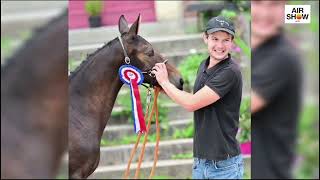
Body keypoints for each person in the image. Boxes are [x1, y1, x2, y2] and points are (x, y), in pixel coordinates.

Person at [152, 16, 244, 179]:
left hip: (224, 166)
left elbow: (191, 103)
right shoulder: (204, 65)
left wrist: (165, 82)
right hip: (201, 162)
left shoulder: (230, 72)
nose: (220, 46)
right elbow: (197, 99)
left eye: (226, 40)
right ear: (205, 38)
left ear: (232, 42)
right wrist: (161, 85)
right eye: (215, 39)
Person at [251, 1, 303, 179]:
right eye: (257, 3)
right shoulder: (258, 52)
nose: (265, 13)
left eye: (274, 4)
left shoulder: (282, 57)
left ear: (285, 8)